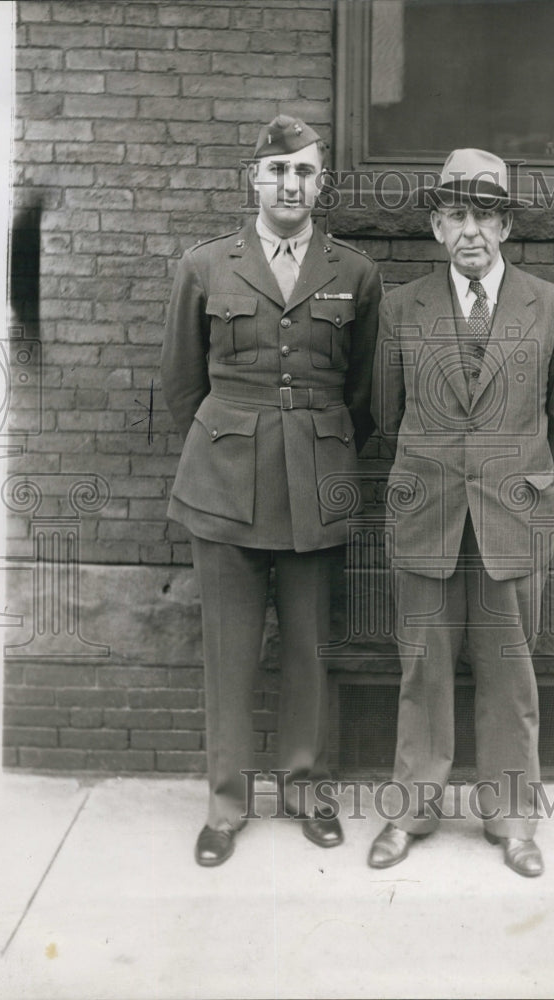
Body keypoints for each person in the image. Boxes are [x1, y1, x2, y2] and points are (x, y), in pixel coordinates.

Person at [162, 115, 382, 866]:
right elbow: (182, 384)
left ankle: (307, 791)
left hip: (317, 484)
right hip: (223, 484)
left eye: (305, 171)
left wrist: (313, 440)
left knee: (310, 652)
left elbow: (362, 393)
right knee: (228, 654)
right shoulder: (204, 266)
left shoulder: (354, 272)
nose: (291, 183)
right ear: (252, 179)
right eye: (277, 170)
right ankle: (225, 805)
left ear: (322, 184)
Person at [368, 148, 554, 876]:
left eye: (485, 215)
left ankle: (513, 821)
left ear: (505, 227)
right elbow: (384, 410)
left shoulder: (552, 307)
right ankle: (410, 813)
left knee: (508, 673)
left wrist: (511, 470)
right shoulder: (401, 307)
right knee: (421, 669)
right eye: (457, 215)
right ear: (435, 225)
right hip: (424, 512)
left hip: (510, 514)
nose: (471, 231)